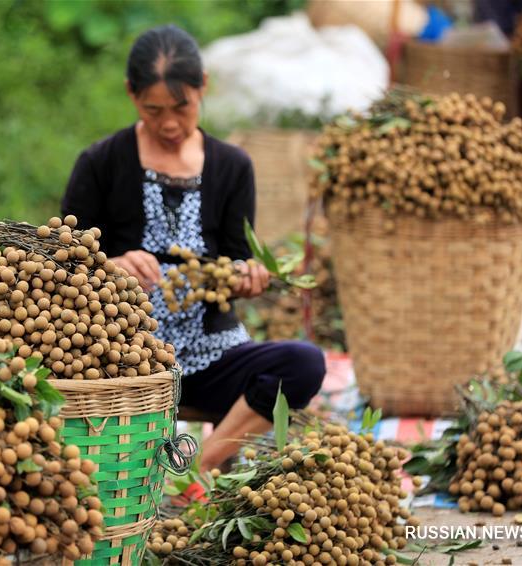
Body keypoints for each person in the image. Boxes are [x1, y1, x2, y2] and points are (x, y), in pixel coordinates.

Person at [61, 24, 325, 471]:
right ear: (131, 94)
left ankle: (199, 465)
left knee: (304, 363)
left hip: (210, 354)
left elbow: (237, 256)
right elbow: (61, 258)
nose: (168, 123)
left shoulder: (232, 166)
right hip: (126, 359)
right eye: (153, 109)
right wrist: (109, 265)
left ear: (204, 87)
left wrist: (247, 277)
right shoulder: (100, 163)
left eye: (181, 107)